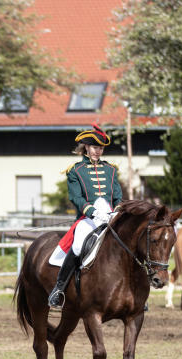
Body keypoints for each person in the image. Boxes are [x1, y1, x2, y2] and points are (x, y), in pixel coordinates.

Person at [47, 124, 122, 310]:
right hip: (88, 218)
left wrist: (117, 211)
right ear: (86, 147)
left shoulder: (111, 169)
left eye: (101, 148)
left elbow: (118, 196)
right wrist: (93, 212)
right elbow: (76, 198)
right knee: (79, 243)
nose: (99, 151)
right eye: (95, 147)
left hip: (111, 217)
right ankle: (59, 289)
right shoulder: (76, 170)